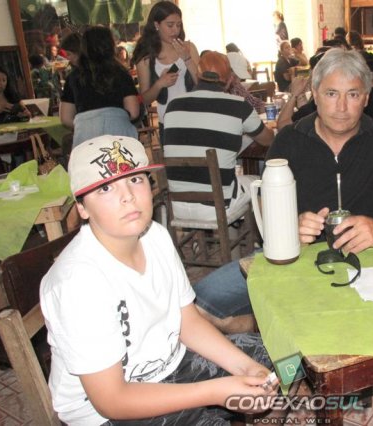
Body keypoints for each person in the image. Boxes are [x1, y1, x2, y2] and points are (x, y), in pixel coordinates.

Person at [40, 135, 278, 425]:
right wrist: (215, 392)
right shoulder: (77, 283)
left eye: (135, 180)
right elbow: (111, 401)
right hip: (107, 410)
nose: (128, 196)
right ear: (82, 208)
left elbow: (187, 321)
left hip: (171, 365)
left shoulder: (155, 236)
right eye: (105, 188)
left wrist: (245, 367)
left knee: (277, 359)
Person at [192, 48, 373, 331]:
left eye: (353, 95)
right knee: (199, 304)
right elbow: (265, 204)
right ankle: (261, 325)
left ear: (366, 98)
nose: (342, 107)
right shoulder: (289, 140)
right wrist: (288, 228)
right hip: (295, 257)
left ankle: (281, 324)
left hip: (365, 258)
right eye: (331, 94)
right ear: (315, 95)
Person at [163, 51, 274, 222]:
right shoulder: (238, 106)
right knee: (263, 182)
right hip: (217, 207)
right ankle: (263, 236)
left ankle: (223, 234)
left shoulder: (173, 105)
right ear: (230, 79)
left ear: (198, 75)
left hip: (177, 205)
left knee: (229, 182)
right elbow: (268, 140)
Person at [60, 26, 139, 148]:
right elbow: (133, 112)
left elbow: (65, 118)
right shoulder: (121, 74)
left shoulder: (73, 77)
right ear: (111, 46)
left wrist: (87, 124)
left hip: (86, 139)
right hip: (119, 136)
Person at [132, 1, 199, 143]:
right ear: (156, 25)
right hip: (168, 123)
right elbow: (145, 99)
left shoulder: (189, 48)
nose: (175, 30)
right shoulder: (146, 57)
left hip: (196, 117)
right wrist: (159, 84)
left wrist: (187, 59)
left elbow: (203, 84)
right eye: (170, 25)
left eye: (178, 25)